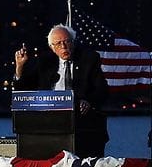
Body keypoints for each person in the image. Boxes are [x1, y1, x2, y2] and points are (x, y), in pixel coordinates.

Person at [14, 24, 110, 157]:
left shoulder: (89, 59)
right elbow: (22, 90)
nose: (63, 47)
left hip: (83, 124)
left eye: (67, 42)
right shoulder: (44, 62)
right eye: (58, 44)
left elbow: (102, 90)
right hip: (50, 124)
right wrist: (20, 67)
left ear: (73, 42)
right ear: (52, 47)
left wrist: (89, 101)